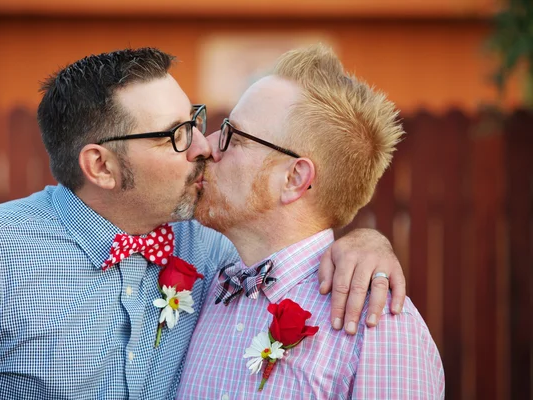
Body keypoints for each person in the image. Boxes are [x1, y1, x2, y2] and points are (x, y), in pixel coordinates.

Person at [0, 48, 405, 399]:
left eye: (195, 120)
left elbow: (289, 238)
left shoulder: (215, 254)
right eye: (174, 135)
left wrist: (367, 242)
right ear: (101, 167)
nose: (203, 145)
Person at [178, 44, 444, 399]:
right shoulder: (206, 278)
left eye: (234, 136)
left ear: (294, 178)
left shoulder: (378, 329)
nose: (209, 146)